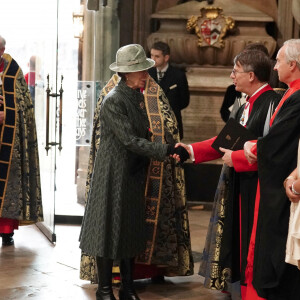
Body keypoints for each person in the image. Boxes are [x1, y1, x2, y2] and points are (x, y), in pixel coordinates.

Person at [78, 44, 189, 300]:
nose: (145, 74)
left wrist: (163, 144)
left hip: (131, 172)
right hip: (112, 173)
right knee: (106, 230)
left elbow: (142, 134)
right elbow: (129, 140)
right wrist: (165, 149)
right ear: (127, 73)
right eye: (141, 70)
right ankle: (104, 290)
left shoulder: (136, 97)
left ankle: (128, 289)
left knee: (129, 229)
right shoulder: (113, 100)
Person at [174, 49, 281, 299]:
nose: (232, 76)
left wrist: (238, 159)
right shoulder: (246, 102)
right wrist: (190, 149)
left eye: (236, 71)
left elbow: (269, 149)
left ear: (252, 75)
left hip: (257, 187)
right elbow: (227, 140)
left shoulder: (271, 103)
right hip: (241, 182)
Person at [243, 39, 300, 299]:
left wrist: (254, 149)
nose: (274, 67)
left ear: (293, 64)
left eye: (278, 61)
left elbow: (281, 140)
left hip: (288, 181)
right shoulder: (289, 92)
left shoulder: (298, 96)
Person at [0, 35, 43, 246]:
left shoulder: (13, 73)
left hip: (8, 141)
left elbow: (24, 109)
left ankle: (6, 231)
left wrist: (8, 113)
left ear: (2, 50)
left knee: (8, 186)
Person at [148, 41, 190, 139]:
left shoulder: (178, 76)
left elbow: (184, 101)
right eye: (151, 55)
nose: (152, 59)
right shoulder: (147, 74)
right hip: (151, 124)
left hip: (172, 124)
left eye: (157, 56)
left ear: (166, 58)